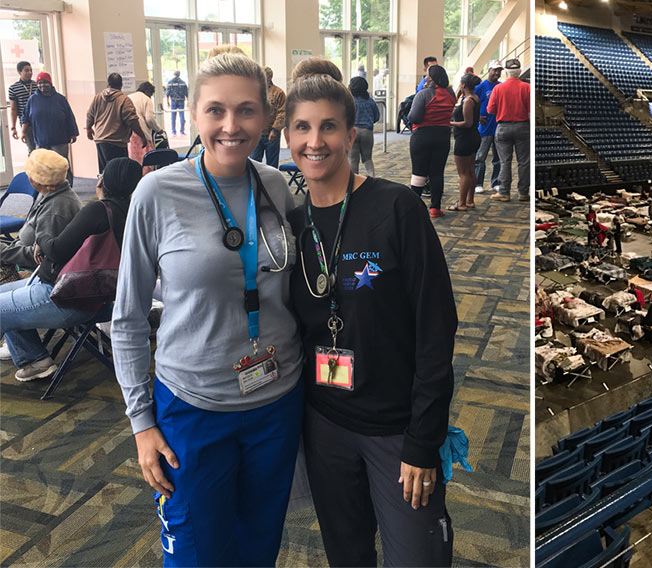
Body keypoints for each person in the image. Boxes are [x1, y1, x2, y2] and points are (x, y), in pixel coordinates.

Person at [111, 49, 302, 567]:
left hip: (276, 401)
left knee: (259, 546)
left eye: (246, 110)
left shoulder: (279, 187)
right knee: (198, 554)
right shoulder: (157, 192)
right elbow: (127, 319)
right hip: (192, 409)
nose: (231, 125)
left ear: (266, 117)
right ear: (193, 114)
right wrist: (141, 422)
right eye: (215, 110)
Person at [283, 57, 456, 567]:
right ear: (288, 136)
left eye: (328, 127)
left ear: (351, 134)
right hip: (325, 424)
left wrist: (424, 439)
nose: (315, 141)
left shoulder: (396, 207)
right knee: (347, 555)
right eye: (302, 127)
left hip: (397, 427)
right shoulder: (291, 225)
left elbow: (436, 325)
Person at [0, 158, 141, 381]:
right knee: (5, 297)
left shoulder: (98, 210)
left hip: (65, 298)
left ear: (105, 181)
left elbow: (56, 250)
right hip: (97, 298)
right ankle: (35, 359)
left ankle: (34, 359)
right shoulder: (134, 212)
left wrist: (42, 237)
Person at [0, 149, 82, 282]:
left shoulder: (54, 211)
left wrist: (4, 251)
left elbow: (41, 258)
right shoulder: (54, 194)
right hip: (20, 259)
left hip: (35, 275)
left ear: (37, 181)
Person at [407, 65, 455, 218]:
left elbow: (414, 117)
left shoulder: (423, 95)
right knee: (437, 172)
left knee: (419, 172)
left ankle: (414, 207)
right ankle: (435, 208)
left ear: (431, 78)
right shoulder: (451, 94)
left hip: (422, 135)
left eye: (426, 75)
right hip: (442, 136)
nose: (425, 77)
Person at [20, 71, 78, 184]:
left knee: (62, 164)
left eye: (45, 82)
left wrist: (73, 133)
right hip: (41, 140)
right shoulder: (32, 100)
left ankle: (66, 185)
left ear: (50, 83)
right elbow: (25, 117)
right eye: (40, 83)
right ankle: (46, 186)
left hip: (59, 140)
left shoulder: (60, 99)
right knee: (43, 165)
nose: (42, 85)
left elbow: (69, 117)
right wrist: (23, 132)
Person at [86, 73, 146, 174]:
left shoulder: (97, 98)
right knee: (118, 173)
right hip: (116, 142)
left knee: (104, 172)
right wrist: (142, 136)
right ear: (121, 85)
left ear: (108, 84)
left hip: (100, 140)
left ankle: (103, 189)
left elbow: (89, 115)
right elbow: (132, 121)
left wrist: (88, 129)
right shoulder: (124, 100)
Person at [488, 59, 530, 202]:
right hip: (522, 126)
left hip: (503, 127)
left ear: (506, 72)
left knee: (505, 161)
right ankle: (523, 192)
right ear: (519, 72)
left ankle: (504, 192)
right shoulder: (527, 87)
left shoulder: (498, 88)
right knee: (524, 162)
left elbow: (490, 109)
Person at [449, 72, 481, 211]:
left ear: (463, 85)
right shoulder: (475, 98)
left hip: (465, 138)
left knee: (463, 173)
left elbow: (467, 123)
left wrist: (450, 123)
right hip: (473, 137)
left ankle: (461, 203)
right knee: (471, 170)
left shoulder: (468, 101)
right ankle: (470, 200)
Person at [474, 60, 503, 194]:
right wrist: (477, 117)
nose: (497, 73)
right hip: (484, 129)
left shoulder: (501, 87)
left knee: (498, 158)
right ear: (489, 70)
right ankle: (478, 183)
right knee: (480, 157)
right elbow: (469, 102)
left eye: (499, 70)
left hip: (498, 128)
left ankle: (495, 182)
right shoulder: (481, 87)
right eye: (495, 70)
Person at [250, 67, 286, 168]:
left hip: (271, 134)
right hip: (257, 133)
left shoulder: (279, 93)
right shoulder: (254, 92)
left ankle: (272, 183)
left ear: (269, 77)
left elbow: (283, 113)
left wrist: (275, 130)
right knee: (254, 162)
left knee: (272, 164)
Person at [348, 76, 380, 177]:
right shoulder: (370, 101)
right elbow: (377, 117)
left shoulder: (349, 102)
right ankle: (372, 178)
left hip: (352, 132)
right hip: (367, 132)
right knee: (367, 158)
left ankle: (353, 182)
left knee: (353, 159)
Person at [128, 81, 161, 171]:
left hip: (129, 134)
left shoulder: (128, 97)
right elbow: (150, 119)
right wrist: (159, 130)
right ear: (147, 91)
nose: (150, 96)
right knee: (146, 161)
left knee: (133, 159)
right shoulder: (146, 99)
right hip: (142, 135)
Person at [7, 61, 38, 154]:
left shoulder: (37, 85)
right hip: (26, 123)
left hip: (40, 121)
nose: (30, 73)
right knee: (32, 149)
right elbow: (13, 109)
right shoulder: (13, 88)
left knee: (43, 148)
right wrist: (13, 127)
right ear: (20, 72)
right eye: (26, 70)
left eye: (31, 70)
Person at [165, 70, 188, 135]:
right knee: (182, 116)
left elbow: (167, 93)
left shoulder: (170, 82)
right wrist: (188, 101)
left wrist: (167, 102)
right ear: (179, 74)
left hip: (173, 101)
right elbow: (186, 93)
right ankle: (182, 131)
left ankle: (173, 131)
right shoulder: (183, 82)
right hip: (181, 101)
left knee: (173, 117)